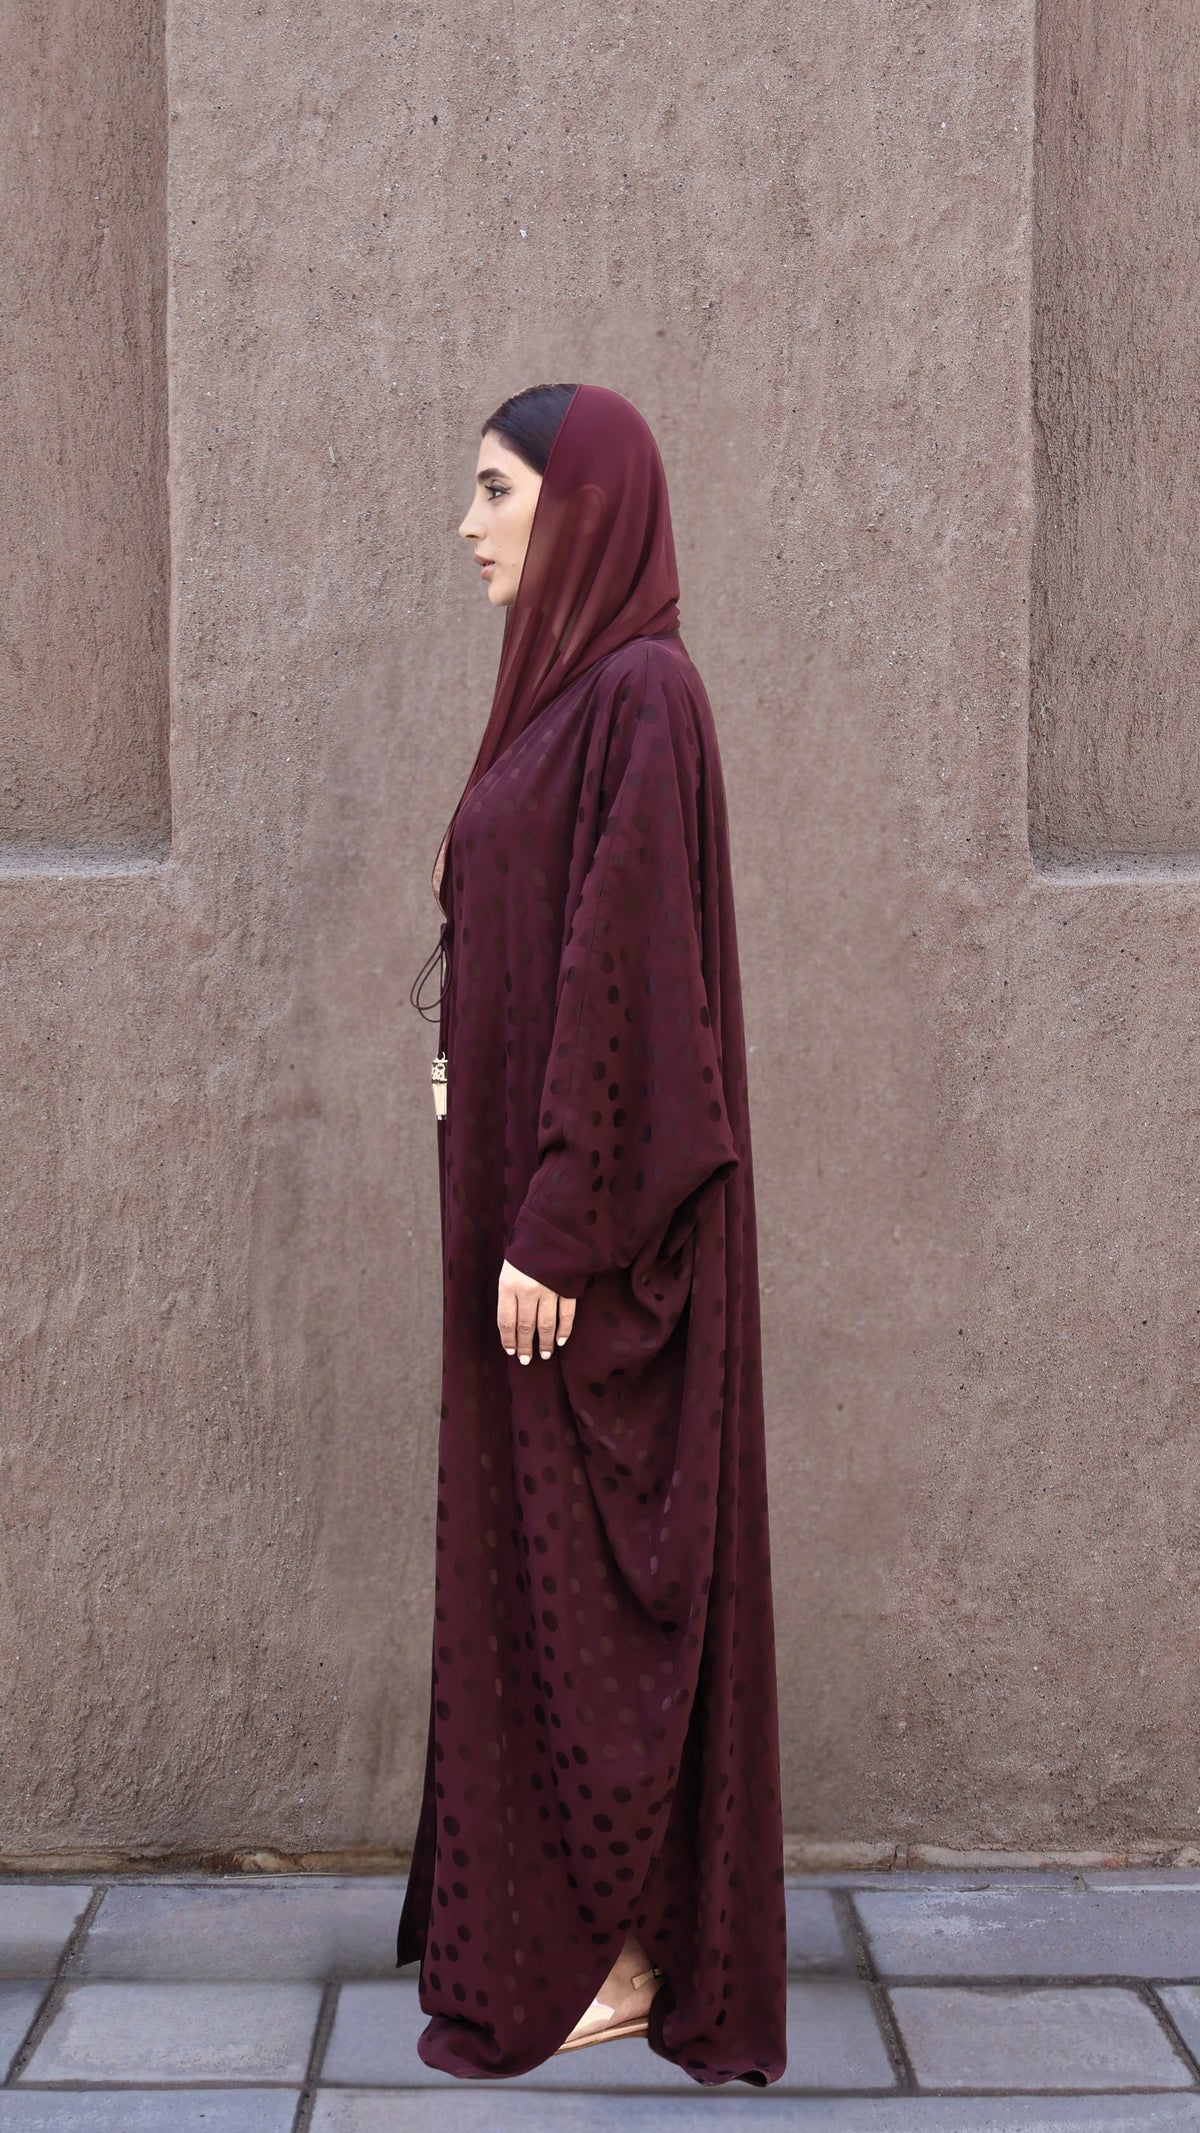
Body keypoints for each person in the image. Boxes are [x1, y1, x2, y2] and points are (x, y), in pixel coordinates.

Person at [397, 381, 788, 2086]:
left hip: (577, 1260)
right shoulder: (567, 699)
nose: (470, 523)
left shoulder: (641, 696)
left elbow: (632, 974)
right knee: (532, 1586)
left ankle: (617, 1953)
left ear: (583, 506)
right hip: (518, 1229)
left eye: (497, 490)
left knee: (588, 1597)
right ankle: (582, 1934)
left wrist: (557, 1222)